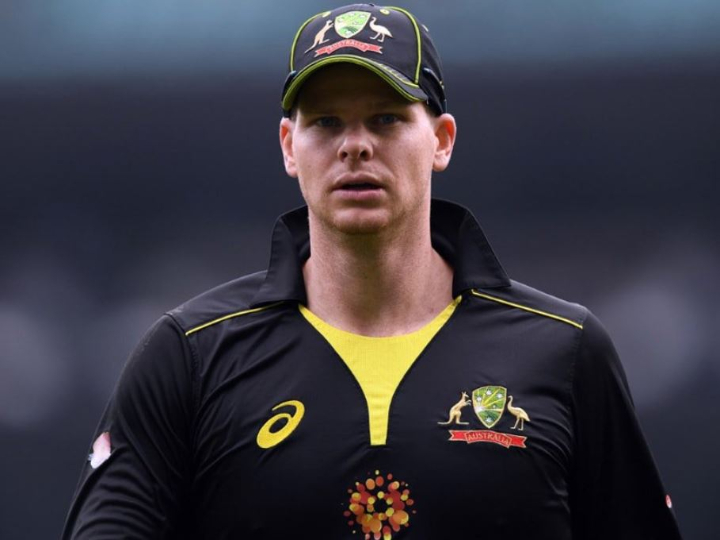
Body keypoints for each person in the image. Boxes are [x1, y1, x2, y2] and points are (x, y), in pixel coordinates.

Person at [63, 4, 683, 539]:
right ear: (289, 146)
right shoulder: (190, 356)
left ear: (441, 140)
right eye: (326, 122)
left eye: (386, 118)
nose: (354, 144)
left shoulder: (565, 351)